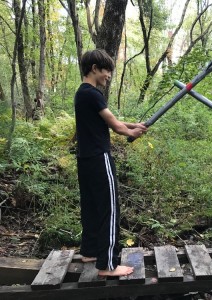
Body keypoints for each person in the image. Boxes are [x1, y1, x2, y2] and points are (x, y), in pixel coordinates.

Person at [74, 49, 147, 277]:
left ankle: (90, 251)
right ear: (94, 68)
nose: (108, 76)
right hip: (99, 157)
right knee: (109, 208)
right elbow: (116, 126)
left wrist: (134, 125)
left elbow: (110, 120)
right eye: (106, 71)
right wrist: (131, 132)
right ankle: (107, 265)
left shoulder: (82, 93)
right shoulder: (94, 94)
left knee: (92, 206)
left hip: (85, 158)